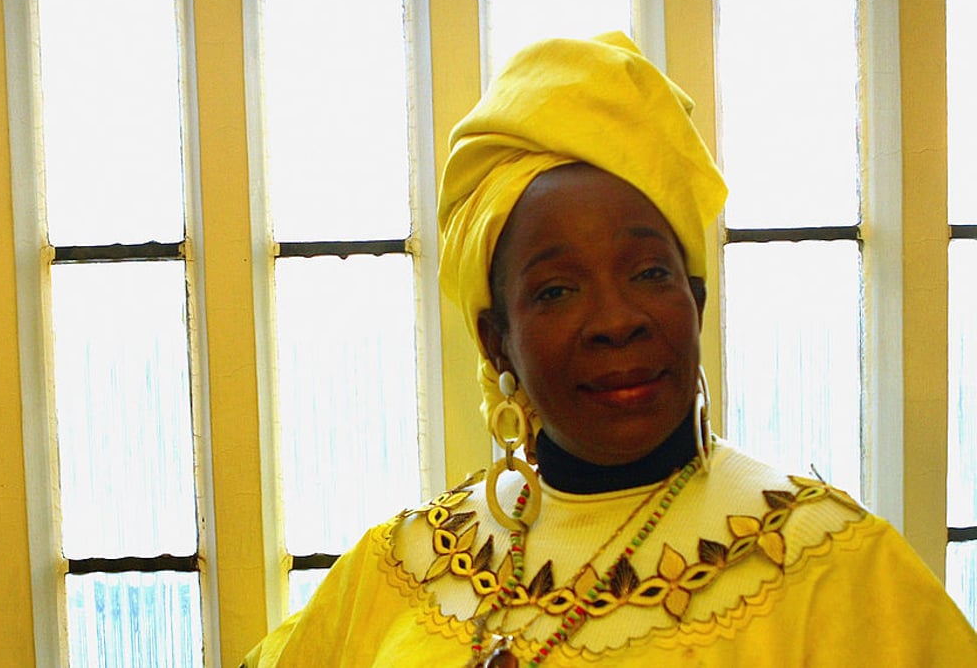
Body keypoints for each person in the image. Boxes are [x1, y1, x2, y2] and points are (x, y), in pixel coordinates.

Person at [242, 32, 977, 666]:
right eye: (557, 290)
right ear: (496, 340)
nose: (615, 320)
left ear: (697, 300)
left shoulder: (832, 566)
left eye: (649, 272)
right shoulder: (404, 565)